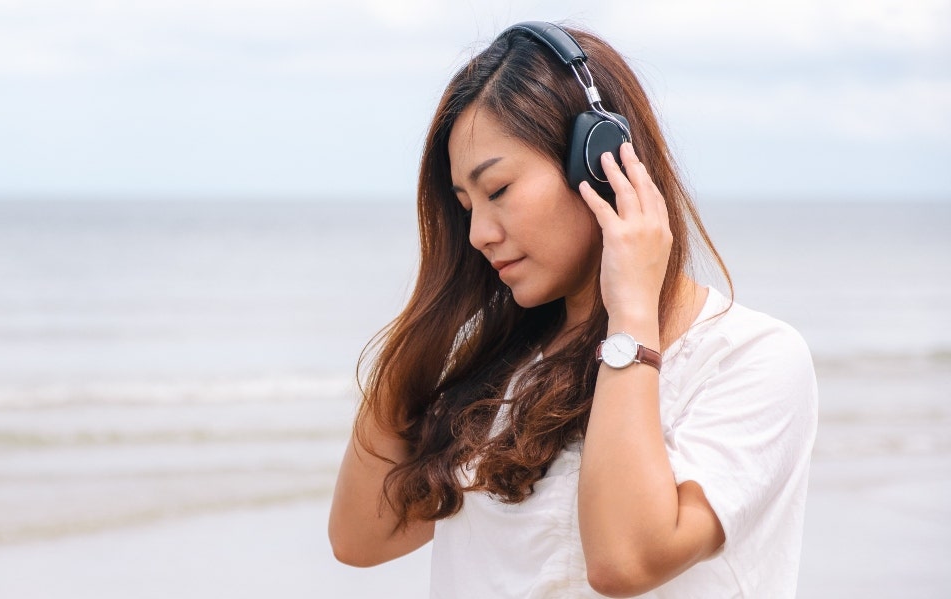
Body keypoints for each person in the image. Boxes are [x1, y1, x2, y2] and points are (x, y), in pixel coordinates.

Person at [327, 21, 819, 598]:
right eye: (465, 208)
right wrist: (437, 310)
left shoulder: (750, 359)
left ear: (600, 161)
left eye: (499, 190)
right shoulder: (504, 371)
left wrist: (631, 313)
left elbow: (625, 561)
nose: (479, 233)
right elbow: (360, 537)